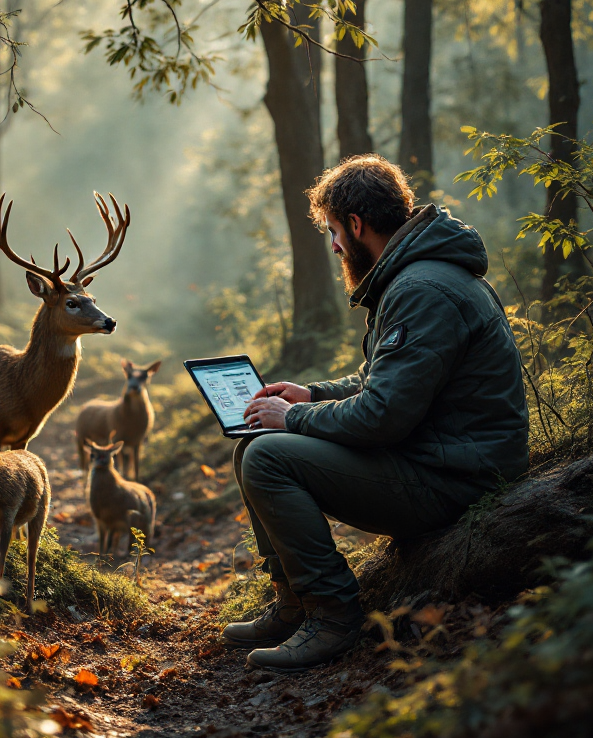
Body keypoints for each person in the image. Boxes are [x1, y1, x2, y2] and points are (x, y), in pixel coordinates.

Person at [223, 154, 529, 673]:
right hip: (444, 460)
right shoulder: (421, 277)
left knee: (267, 456)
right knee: (254, 443)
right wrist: (312, 395)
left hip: (455, 479)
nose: (337, 246)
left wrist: (291, 419)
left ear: (357, 225)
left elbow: (382, 416)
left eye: (334, 232)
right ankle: (294, 602)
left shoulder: (420, 289)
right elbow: (382, 380)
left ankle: (333, 616)